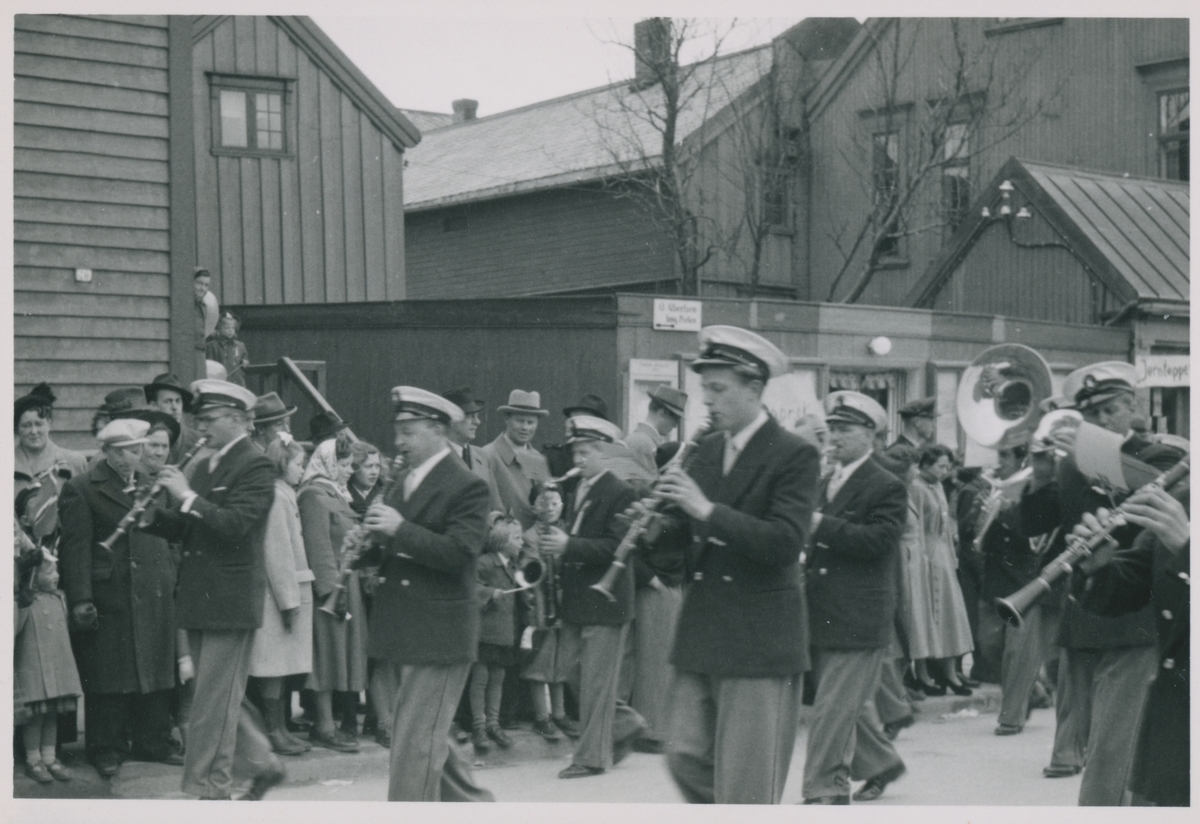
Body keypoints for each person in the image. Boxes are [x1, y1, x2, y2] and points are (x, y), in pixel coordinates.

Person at [648, 325, 819, 804]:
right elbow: (682, 549)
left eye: (719, 389)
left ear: (755, 389)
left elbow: (785, 543)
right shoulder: (705, 451)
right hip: (702, 632)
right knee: (682, 754)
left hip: (758, 636)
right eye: (706, 389)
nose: (709, 401)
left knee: (745, 780)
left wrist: (705, 510)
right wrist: (652, 530)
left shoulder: (794, 454)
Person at [1020, 361, 1183, 803]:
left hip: (1135, 615)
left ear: (1134, 406)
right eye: (1092, 415)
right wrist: (1040, 473)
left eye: (1112, 410)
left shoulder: (1162, 455)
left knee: (1115, 743)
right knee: (1078, 723)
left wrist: (1086, 449)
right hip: (1085, 609)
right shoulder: (1074, 461)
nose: (1103, 421)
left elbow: (1152, 489)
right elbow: (1035, 522)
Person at [139, 379, 284, 800]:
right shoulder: (204, 463)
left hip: (229, 599)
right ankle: (260, 765)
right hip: (200, 594)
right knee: (216, 698)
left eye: (209, 419)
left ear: (238, 420)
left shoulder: (255, 464)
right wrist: (151, 513)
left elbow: (236, 526)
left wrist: (185, 497)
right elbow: (189, 526)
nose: (200, 427)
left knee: (211, 705)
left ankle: (209, 790)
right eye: (198, 419)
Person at [360, 386, 495, 802]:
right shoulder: (405, 480)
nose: (398, 441)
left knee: (416, 746)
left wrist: (398, 528)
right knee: (423, 734)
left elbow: (460, 553)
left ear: (438, 429)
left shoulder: (466, 485)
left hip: (440, 634)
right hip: (408, 628)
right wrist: (366, 545)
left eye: (408, 431)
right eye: (397, 430)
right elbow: (397, 544)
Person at [58, 418, 182, 778]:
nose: (137, 455)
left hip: (154, 592)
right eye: (129, 450)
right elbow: (75, 548)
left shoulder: (151, 485)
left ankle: (153, 741)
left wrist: (171, 574)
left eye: (139, 448)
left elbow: (170, 536)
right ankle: (106, 747)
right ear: (109, 452)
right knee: (108, 674)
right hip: (111, 593)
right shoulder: (83, 488)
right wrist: (81, 598)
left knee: (156, 671)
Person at [803, 391, 907, 804]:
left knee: (831, 709)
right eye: (832, 428)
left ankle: (826, 790)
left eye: (845, 429)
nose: (835, 437)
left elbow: (879, 542)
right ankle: (879, 763)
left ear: (870, 435)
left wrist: (820, 525)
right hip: (822, 609)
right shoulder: (826, 481)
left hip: (859, 614)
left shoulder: (887, 485)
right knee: (842, 702)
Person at [537, 415, 645, 779]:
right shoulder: (578, 488)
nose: (578, 459)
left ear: (606, 453)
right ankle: (625, 721)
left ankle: (592, 757)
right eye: (575, 452)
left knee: (596, 682)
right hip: (579, 599)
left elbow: (618, 548)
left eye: (587, 451)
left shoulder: (621, 492)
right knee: (569, 670)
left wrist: (568, 544)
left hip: (605, 601)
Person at [1072, 474, 1190, 806]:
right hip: (1176, 716)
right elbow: (1137, 579)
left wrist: (1189, 549)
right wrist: (1098, 569)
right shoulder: (1185, 499)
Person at [973, 438, 1055, 735]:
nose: (1000, 461)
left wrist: (1006, 514)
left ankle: (1011, 717)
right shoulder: (996, 488)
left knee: (1018, 653)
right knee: (989, 645)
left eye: (1005, 456)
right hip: (994, 578)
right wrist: (983, 514)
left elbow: (1037, 540)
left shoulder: (1035, 490)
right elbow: (977, 537)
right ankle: (1034, 691)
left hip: (1025, 580)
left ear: (1023, 459)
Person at [297, 437, 367, 753]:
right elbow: (317, 545)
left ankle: (330, 724)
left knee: (339, 656)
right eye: (344, 464)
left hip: (345, 584)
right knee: (325, 656)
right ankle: (323, 726)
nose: (350, 471)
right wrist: (330, 594)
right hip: (330, 589)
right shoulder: (313, 494)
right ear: (327, 462)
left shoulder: (335, 493)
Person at [250, 438, 315, 756]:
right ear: (281, 464)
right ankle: (274, 730)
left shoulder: (285, 494)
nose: (302, 469)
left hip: (288, 592)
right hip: (278, 597)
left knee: (282, 665)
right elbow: (277, 552)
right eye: (298, 463)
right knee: (272, 667)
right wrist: (289, 602)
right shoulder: (276, 497)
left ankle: (281, 728)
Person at [626, 442, 688, 754]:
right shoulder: (652, 500)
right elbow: (630, 550)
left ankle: (661, 727)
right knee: (653, 659)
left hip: (671, 586)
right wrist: (651, 580)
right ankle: (651, 730)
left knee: (664, 659)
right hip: (656, 587)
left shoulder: (675, 502)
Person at [14, 537, 82, 785]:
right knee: (35, 718)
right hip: (34, 671)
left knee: (52, 715)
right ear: (33, 575)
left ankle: (50, 757)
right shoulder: (24, 603)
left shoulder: (58, 599)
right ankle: (34, 760)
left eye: (56, 570)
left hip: (57, 670)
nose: (56, 576)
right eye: (49, 571)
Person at [910, 444, 975, 695]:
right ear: (925, 465)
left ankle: (950, 673)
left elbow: (946, 525)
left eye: (948, 466)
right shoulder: (916, 487)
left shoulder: (938, 486)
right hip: (927, 554)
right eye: (941, 466)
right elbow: (917, 526)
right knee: (928, 615)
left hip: (944, 555)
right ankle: (923, 674)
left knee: (950, 614)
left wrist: (951, 553)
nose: (945, 471)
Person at [520, 480, 578, 741]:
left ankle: (560, 713)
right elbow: (526, 574)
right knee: (540, 663)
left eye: (555, 503)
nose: (550, 508)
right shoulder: (530, 537)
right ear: (534, 507)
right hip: (541, 607)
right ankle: (542, 716)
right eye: (544, 502)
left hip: (563, 606)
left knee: (560, 661)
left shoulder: (565, 534)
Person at [469, 514, 530, 753]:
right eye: (517, 538)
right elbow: (470, 585)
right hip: (484, 632)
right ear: (503, 543)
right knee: (480, 678)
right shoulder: (485, 562)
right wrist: (489, 592)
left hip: (504, 632)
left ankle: (493, 723)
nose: (522, 543)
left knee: (498, 678)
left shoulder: (514, 565)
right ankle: (478, 725)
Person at [482, 390, 551, 530]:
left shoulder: (539, 459)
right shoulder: (487, 455)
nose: (525, 427)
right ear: (507, 419)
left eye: (531, 422)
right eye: (520, 421)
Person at [14, 383, 88, 496]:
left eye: (39, 424)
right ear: (17, 429)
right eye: (26, 425)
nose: (34, 431)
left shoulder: (73, 461)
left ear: (49, 424)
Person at [442, 386, 503, 512]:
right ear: (451, 420)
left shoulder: (481, 456)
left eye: (477, 416)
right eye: (471, 416)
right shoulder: (437, 457)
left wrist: (498, 522)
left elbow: (496, 506)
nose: (478, 422)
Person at [625, 386, 687, 476]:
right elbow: (644, 487)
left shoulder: (641, 439)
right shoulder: (643, 443)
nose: (675, 426)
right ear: (662, 413)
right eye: (675, 419)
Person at [144, 373, 204, 465]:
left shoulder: (197, 440)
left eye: (178, 401)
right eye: (167, 401)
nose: (174, 407)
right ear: (153, 406)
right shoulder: (143, 439)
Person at [205, 312, 250, 387]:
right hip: (220, 383)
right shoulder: (213, 345)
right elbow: (210, 366)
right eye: (227, 328)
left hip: (237, 382)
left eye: (233, 328)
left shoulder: (240, 346)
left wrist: (245, 363)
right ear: (219, 329)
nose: (230, 330)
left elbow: (245, 360)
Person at [347, 441, 384, 516]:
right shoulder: (342, 493)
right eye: (369, 466)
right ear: (354, 467)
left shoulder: (385, 491)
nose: (375, 472)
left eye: (377, 466)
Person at [194, 268, 219, 348]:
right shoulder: (184, 304)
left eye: (206, 285)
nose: (203, 288)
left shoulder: (204, 306)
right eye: (199, 283)